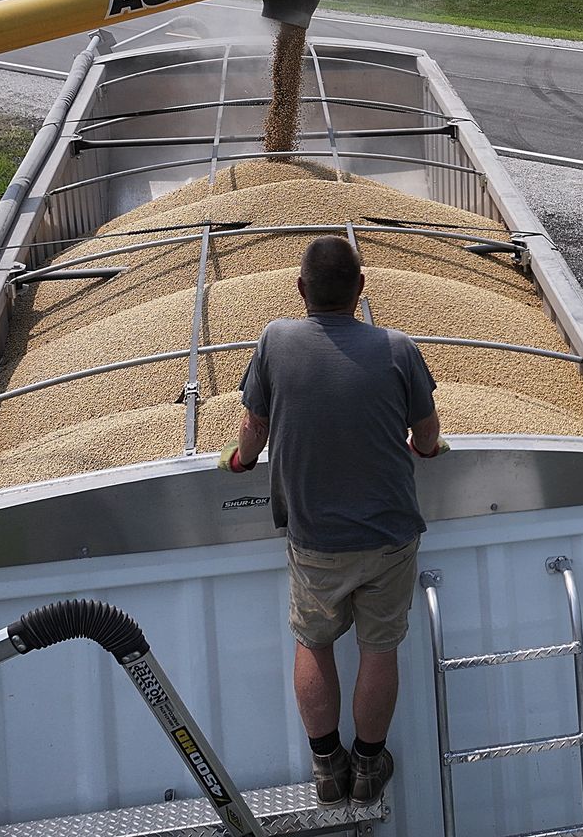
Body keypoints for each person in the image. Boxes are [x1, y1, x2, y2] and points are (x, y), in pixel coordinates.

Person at [225, 236, 446, 808]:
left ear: (301, 290)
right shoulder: (398, 348)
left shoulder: (275, 340)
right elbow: (427, 434)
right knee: (379, 649)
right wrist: (427, 449)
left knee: (314, 643)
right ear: (361, 290)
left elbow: (254, 429)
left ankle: (328, 767)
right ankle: (369, 765)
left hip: (316, 539)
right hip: (390, 535)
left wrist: (241, 461)